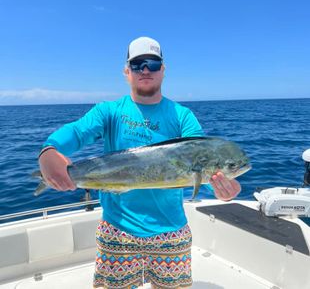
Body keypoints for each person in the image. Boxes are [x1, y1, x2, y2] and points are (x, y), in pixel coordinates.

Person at [38, 36, 241, 289]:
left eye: (153, 64)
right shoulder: (109, 111)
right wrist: (48, 150)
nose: (145, 70)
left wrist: (223, 188)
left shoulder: (182, 116)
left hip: (171, 232)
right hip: (117, 230)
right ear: (127, 71)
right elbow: (77, 133)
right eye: (137, 64)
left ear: (163, 70)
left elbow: (199, 167)